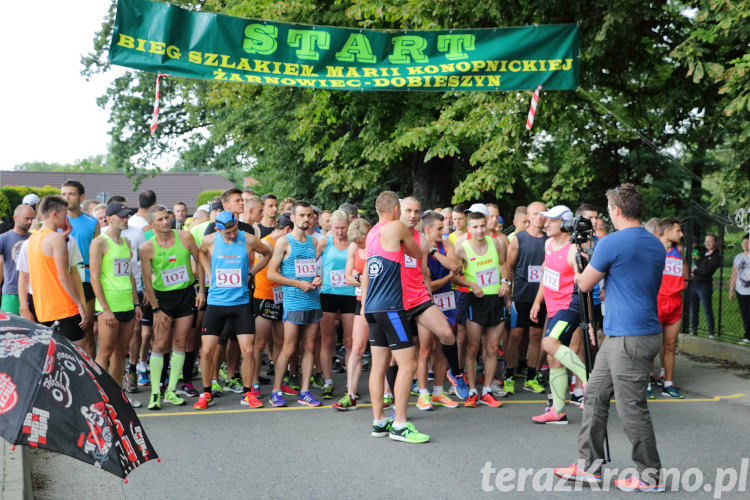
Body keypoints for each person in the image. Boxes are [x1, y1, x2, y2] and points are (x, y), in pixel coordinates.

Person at [554, 184, 666, 492]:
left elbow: (583, 283)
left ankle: (649, 475)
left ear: (616, 210)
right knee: (594, 394)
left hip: (629, 337)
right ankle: (588, 466)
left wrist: (575, 261)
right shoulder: (655, 243)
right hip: (632, 333)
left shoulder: (613, 242)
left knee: (631, 408)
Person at [363, 191, 430, 444]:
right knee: (408, 363)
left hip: (372, 307)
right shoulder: (397, 227)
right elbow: (417, 253)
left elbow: (369, 270)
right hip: (391, 307)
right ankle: (400, 424)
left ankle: (379, 421)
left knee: (379, 364)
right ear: (395, 210)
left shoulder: (371, 233)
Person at [193, 211, 271, 410]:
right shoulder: (209, 240)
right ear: (218, 229)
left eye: (234, 230)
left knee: (248, 349)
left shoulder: (249, 239)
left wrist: (252, 273)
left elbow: (267, 253)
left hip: (241, 303)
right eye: (228, 233)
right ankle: (206, 392)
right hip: (217, 303)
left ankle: (247, 393)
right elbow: (200, 253)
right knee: (208, 350)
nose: (232, 235)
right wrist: (209, 273)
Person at [399, 197, 466, 411]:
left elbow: (454, 267)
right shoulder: (415, 244)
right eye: (439, 228)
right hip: (426, 301)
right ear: (428, 229)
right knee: (425, 349)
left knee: (443, 347)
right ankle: (423, 393)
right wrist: (446, 278)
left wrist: (435, 252)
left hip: (446, 300)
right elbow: (427, 282)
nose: (443, 232)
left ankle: (439, 391)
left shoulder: (445, 244)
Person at [141, 205, 206, 410]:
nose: (165, 222)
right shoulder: (147, 248)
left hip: (186, 295)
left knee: (181, 342)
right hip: (163, 299)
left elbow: (200, 261)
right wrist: (155, 308)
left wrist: (201, 290)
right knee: (160, 345)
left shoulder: (185, 237)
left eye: (167, 218)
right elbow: (146, 281)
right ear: (152, 224)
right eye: (160, 219)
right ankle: (155, 393)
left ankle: (171, 390)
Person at [528, 205, 588, 424]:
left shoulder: (573, 251)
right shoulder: (548, 244)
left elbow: (584, 285)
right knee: (553, 358)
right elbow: (548, 274)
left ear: (564, 224)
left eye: (552, 220)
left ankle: (588, 379)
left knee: (549, 344)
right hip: (553, 307)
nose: (546, 223)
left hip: (570, 306)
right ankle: (558, 410)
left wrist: (588, 322)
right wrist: (537, 302)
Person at [266, 201, 323, 407]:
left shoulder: (313, 242)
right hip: (293, 302)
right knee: (289, 348)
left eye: (309, 216)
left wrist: (316, 279)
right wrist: (297, 283)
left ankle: (305, 391)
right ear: (293, 218)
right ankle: (276, 390)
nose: (306, 219)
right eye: (301, 216)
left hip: (313, 300)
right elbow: (272, 273)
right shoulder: (284, 242)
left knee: (309, 347)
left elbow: (310, 270)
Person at [454, 210, 510, 408]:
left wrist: (506, 282)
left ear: (487, 226)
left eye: (482, 226)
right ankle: (472, 391)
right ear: (469, 228)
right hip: (475, 300)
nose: (479, 230)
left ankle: (487, 390)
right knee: (473, 347)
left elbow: (503, 265)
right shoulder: (461, 247)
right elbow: (454, 275)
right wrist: (471, 285)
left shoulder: (496, 243)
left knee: (493, 347)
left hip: (496, 299)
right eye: (475, 227)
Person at [89, 202, 142, 403]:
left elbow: (129, 274)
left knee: (122, 351)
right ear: (109, 218)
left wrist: (136, 304)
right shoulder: (100, 242)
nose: (125, 220)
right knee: (105, 350)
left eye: (127, 216)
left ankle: (118, 396)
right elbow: (95, 277)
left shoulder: (127, 243)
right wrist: (105, 309)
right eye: (121, 216)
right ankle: (99, 396)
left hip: (127, 303)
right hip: (108, 306)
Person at [20, 195, 89, 345]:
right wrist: (80, 305)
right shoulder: (55, 238)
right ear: (54, 214)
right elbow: (63, 276)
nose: (66, 219)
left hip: (44, 309)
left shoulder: (31, 240)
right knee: (76, 356)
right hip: (64, 307)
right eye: (65, 214)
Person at [505, 201, 548, 395]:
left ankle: (531, 377)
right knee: (515, 337)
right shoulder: (518, 239)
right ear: (528, 217)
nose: (540, 217)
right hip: (520, 296)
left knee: (536, 336)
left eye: (543, 213)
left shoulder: (549, 240)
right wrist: (508, 289)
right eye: (536, 213)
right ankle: (508, 376)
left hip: (541, 297)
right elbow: (509, 266)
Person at [252, 213, 293, 395]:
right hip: (264, 297)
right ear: (287, 229)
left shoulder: (283, 243)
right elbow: (271, 271)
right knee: (259, 343)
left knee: (280, 342)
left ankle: (279, 380)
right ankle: (253, 383)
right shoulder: (266, 243)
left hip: (281, 297)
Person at [316, 210, 356, 399]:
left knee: (349, 341)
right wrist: (314, 277)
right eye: (336, 228)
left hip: (349, 294)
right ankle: (327, 381)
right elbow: (310, 262)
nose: (340, 232)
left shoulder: (354, 244)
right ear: (330, 227)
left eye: (343, 228)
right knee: (326, 339)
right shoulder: (325, 242)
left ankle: (351, 383)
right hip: (329, 294)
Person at [333, 217, 371, 411]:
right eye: (355, 241)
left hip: (379, 302)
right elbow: (347, 277)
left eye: (361, 240)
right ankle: (351, 394)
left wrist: (364, 279)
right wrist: (361, 278)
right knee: (357, 348)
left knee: (386, 350)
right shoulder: (354, 248)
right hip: (359, 302)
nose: (358, 244)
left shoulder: (377, 246)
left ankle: (388, 393)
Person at [61, 179, 100, 356]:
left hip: (86, 278)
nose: (66, 197)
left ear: (81, 197)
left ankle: (91, 373)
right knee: (65, 329)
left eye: (71, 193)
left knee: (88, 329)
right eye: (63, 194)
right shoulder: (56, 221)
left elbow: (98, 253)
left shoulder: (92, 222)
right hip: (63, 279)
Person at [653, 217, 686, 399]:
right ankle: (645, 384)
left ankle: (668, 383)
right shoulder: (653, 249)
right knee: (651, 345)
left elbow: (684, 272)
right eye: (678, 230)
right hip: (657, 300)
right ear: (667, 231)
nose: (681, 234)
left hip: (675, 302)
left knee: (670, 345)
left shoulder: (678, 250)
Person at [0, 204, 35, 314]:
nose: (30, 222)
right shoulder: (4, 238)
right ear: (15, 218)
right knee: (9, 328)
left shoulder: (35, 238)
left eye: (32, 219)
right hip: (11, 293)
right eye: (26, 218)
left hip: (33, 292)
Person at [690, 234, 721, 337]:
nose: (707, 243)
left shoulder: (716, 257)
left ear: (716, 243)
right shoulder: (703, 253)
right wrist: (697, 269)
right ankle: (694, 330)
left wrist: (695, 270)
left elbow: (707, 271)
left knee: (706, 309)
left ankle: (711, 332)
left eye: (710, 241)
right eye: (706, 241)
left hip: (704, 286)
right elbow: (698, 265)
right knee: (693, 309)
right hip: (694, 284)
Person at [729, 234, 750, 344]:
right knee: (745, 314)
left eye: (748, 242)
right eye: (743, 242)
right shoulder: (738, 257)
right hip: (741, 290)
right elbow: (734, 274)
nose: (745, 245)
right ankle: (747, 335)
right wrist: (731, 290)